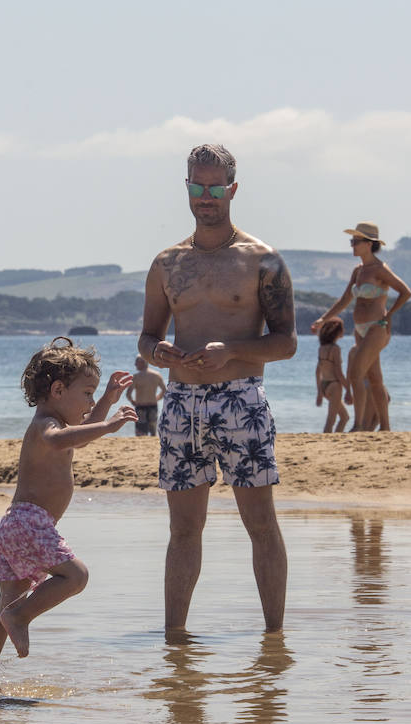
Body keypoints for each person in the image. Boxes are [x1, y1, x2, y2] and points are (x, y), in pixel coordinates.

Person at [139, 143, 297, 634]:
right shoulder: (167, 264)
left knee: (260, 524)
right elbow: (146, 337)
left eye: (213, 187)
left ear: (231, 189)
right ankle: (174, 641)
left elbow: (287, 343)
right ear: (186, 187)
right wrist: (157, 353)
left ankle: (274, 638)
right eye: (196, 186)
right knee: (183, 530)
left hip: (240, 401)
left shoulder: (262, 261)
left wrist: (230, 350)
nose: (204, 197)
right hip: (181, 404)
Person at [0, 338, 136, 694]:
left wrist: (106, 400)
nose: (91, 404)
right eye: (87, 393)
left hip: (15, 525)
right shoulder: (46, 425)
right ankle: (20, 617)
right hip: (30, 523)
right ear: (58, 390)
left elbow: (79, 432)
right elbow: (62, 440)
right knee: (76, 576)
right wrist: (107, 425)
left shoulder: (59, 423)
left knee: (4, 603)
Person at [310, 222, 411, 432]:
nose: (352, 246)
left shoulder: (380, 270)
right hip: (360, 329)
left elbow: (405, 292)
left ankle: (358, 425)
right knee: (374, 378)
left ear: (369, 244)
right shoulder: (358, 271)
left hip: (377, 327)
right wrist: (323, 319)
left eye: (355, 242)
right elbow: (345, 299)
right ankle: (385, 427)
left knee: (356, 374)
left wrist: (390, 315)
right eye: (352, 241)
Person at [314, 318, 350, 433]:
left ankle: (336, 440)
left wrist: (320, 392)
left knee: (344, 417)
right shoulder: (335, 349)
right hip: (334, 386)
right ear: (337, 332)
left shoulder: (322, 348)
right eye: (342, 329)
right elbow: (339, 373)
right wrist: (348, 390)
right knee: (331, 420)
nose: (344, 331)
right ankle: (325, 442)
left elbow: (317, 371)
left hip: (325, 385)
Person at [124, 355, 166, 436]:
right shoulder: (156, 375)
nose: (135, 364)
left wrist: (133, 402)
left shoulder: (136, 377)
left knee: (141, 432)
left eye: (136, 362)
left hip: (140, 406)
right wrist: (157, 398)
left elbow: (128, 394)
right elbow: (164, 390)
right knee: (153, 431)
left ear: (142, 363)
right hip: (153, 405)